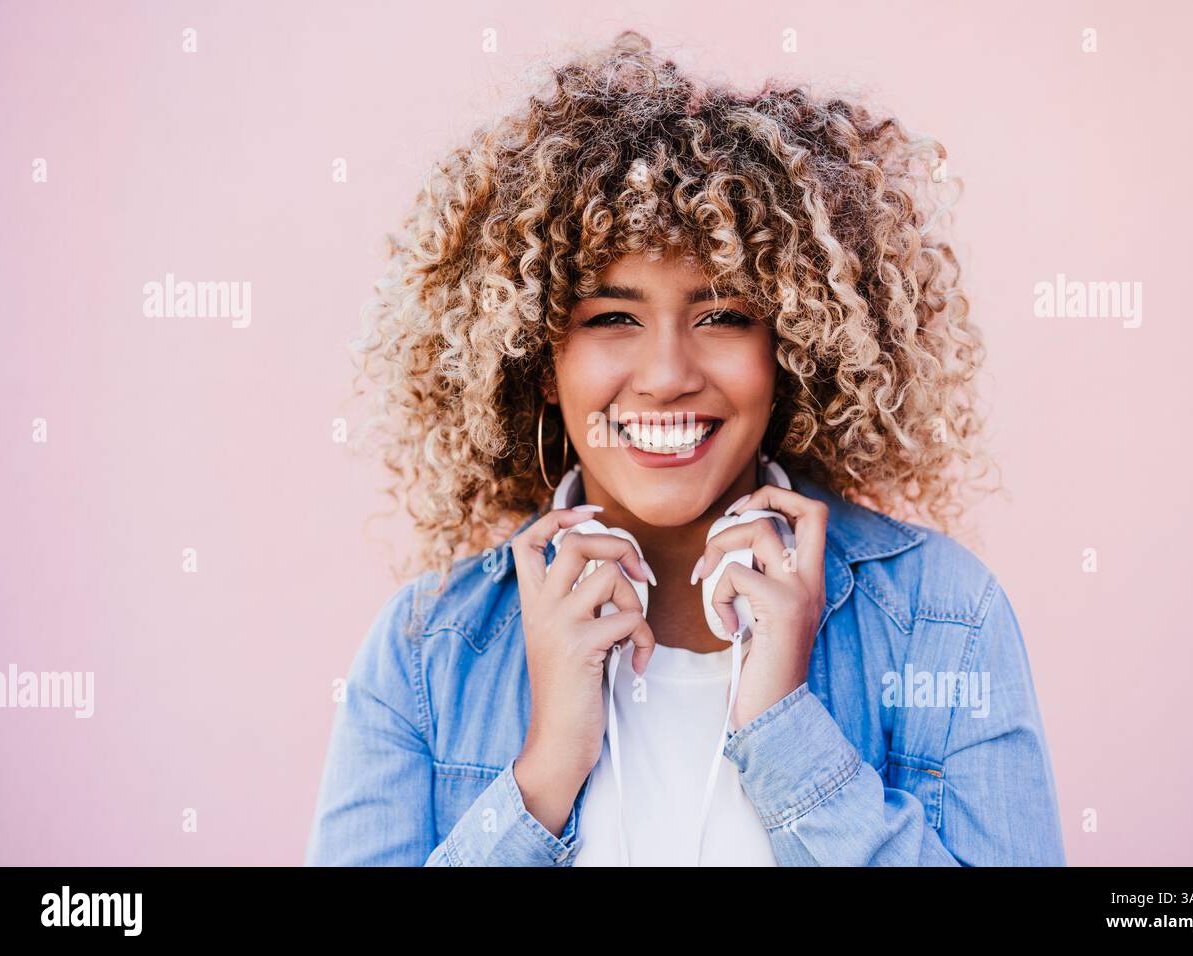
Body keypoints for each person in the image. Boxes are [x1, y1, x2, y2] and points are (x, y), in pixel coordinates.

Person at [304, 31, 1065, 866]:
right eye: (611, 318)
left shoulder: (942, 620)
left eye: (723, 316)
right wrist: (548, 766)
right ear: (538, 359)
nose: (666, 376)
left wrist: (786, 732)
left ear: (793, 348)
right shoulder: (423, 653)